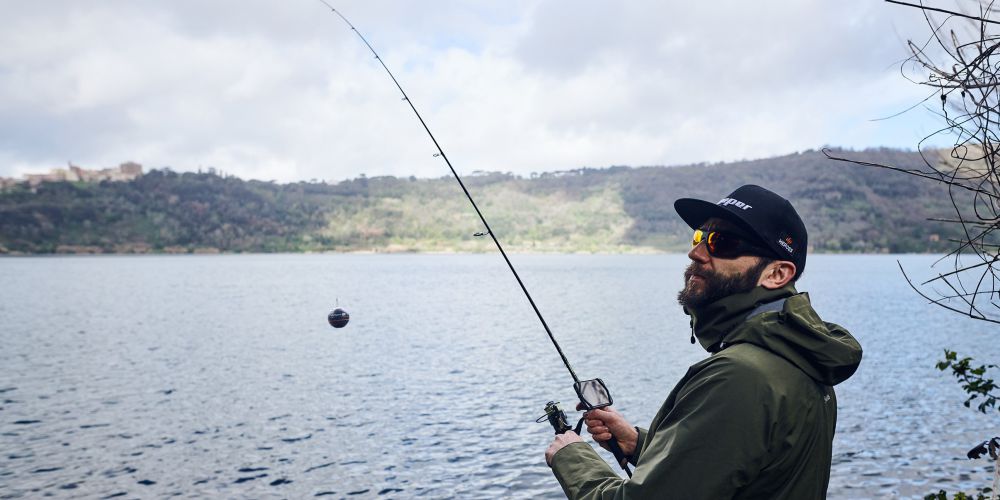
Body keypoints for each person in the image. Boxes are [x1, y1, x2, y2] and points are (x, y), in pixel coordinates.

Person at [544, 184, 863, 499]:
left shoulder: (739, 376)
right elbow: (739, 470)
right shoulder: (800, 355)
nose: (695, 252)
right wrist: (637, 443)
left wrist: (573, 458)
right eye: (700, 237)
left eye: (722, 242)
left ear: (777, 273)